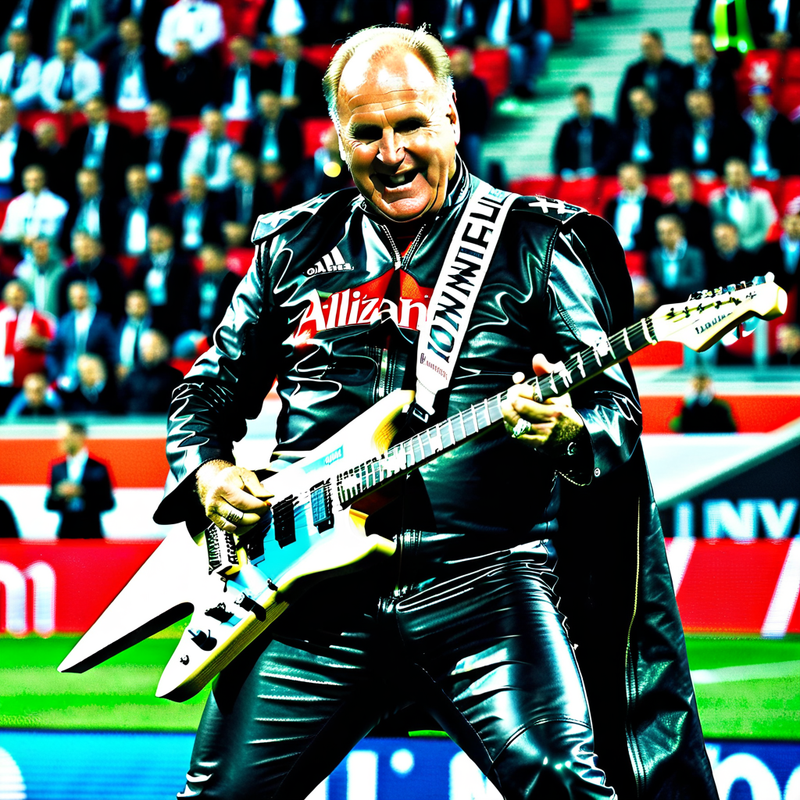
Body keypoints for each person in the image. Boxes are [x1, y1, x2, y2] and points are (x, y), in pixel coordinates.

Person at [154, 25, 717, 800]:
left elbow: (614, 410)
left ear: (451, 117)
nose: (392, 153)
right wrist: (209, 472)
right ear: (337, 141)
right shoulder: (290, 246)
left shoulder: (537, 242)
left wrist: (567, 433)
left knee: (563, 781)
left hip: (483, 584)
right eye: (369, 133)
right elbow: (208, 391)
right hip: (308, 595)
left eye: (411, 125)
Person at [46, 420, 114, 539]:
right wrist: (59, 493)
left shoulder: (98, 468)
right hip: (66, 532)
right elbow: (50, 504)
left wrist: (82, 492)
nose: (62, 441)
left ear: (79, 436)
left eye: (65, 437)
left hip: (91, 532)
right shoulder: (58, 468)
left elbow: (108, 503)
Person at [0, 279, 55, 413]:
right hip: (4, 379)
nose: (15, 301)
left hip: (30, 382)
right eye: (11, 297)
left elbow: (55, 347)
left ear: (25, 295)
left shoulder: (41, 319)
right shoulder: (2, 317)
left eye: (18, 297)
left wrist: (40, 342)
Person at [615, 29, 683, 129]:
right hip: (638, 126)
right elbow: (623, 103)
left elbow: (678, 100)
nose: (646, 51)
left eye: (649, 46)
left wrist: (655, 105)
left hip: (668, 126)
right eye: (643, 47)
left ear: (660, 45)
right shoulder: (634, 71)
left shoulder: (675, 69)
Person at [708, 157, 778, 252]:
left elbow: (768, 226)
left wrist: (746, 245)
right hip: (726, 251)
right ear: (725, 178)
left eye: (738, 174)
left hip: (755, 251)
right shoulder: (716, 199)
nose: (735, 178)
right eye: (730, 174)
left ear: (748, 176)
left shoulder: (761, 198)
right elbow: (715, 225)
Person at [552, 84, 617, 179]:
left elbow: (611, 153)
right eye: (577, 105)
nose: (580, 109)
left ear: (590, 102)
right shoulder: (568, 126)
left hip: (600, 177)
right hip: (574, 178)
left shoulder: (604, 125)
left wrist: (595, 169)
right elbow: (559, 154)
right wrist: (566, 170)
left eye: (582, 104)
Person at [602, 161, 663, 252]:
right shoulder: (612, 204)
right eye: (624, 177)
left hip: (644, 252)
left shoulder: (654, 204)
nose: (627, 181)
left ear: (641, 177)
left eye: (631, 177)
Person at [647, 214, 707, 304]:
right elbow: (655, 280)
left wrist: (673, 283)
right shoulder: (655, 255)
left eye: (670, 232)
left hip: (690, 300)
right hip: (664, 302)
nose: (665, 236)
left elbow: (698, 280)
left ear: (680, 231)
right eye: (661, 233)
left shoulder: (693, 253)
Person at [39, 34, 102, 114]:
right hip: (55, 111)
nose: (65, 48)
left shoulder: (89, 65)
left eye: (68, 46)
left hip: (82, 111)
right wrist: (58, 105)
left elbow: (94, 88)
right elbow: (44, 91)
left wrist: (75, 102)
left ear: (75, 47)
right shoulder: (49, 66)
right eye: (62, 46)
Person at [0, 93, 39, 200]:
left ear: (14, 114)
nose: (0, 116)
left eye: (4, 112)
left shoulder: (27, 139)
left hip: (16, 192)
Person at [669, 372, 737, 433]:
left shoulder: (721, 408)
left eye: (703, 386)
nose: (700, 389)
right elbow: (676, 426)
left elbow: (731, 429)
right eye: (697, 386)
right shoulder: (687, 408)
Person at [0, 28, 42, 112]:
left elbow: (34, 89)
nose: (16, 41)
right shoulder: (3, 59)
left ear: (28, 40)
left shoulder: (37, 63)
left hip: (25, 110)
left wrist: (10, 99)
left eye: (20, 36)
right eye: (13, 36)